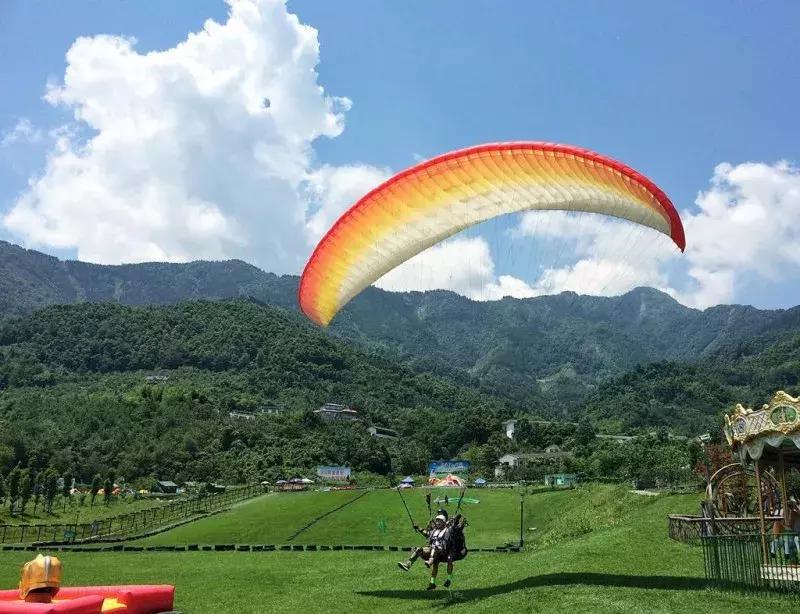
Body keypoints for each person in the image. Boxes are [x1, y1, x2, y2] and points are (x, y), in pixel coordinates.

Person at [397, 509, 455, 590]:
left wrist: (452, 523)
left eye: (440, 521)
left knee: (434, 549)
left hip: (442, 551)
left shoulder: (447, 530)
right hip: (433, 550)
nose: (437, 523)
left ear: (444, 522)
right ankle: (408, 564)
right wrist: (418, 528)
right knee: (418, 549)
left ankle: (431, 561)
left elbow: (452, 532)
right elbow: (427, 534)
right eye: (437, 521)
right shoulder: (434, 530)